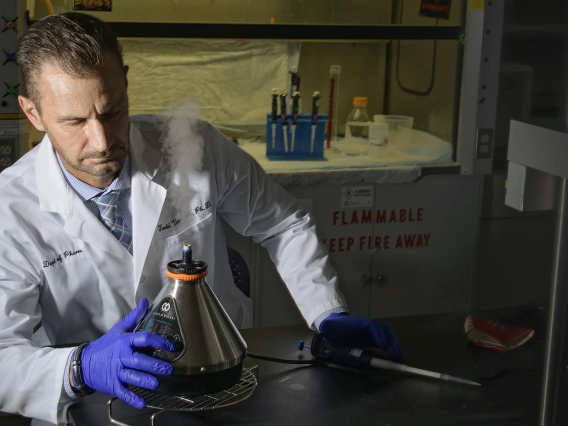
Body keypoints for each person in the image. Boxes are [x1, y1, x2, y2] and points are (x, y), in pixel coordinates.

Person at [0, 12, 404, 425]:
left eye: (113, 111)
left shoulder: (192, 144)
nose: (101, 140)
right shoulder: (10, 208)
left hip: (220, 389)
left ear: (124, 80)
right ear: (32, 113)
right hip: (92, 407)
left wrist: (326, 312)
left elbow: (283, 223)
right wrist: (79, 368)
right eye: (74, 122)